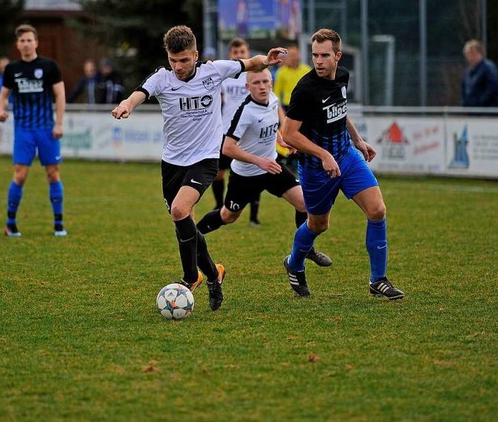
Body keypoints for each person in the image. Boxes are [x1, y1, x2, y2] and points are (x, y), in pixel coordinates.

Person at [111, 25, 284, 311]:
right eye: (173, 60)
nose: (178, 67)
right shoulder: (162, 79)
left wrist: (267, 59)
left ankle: (191, 276)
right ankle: (214, 276)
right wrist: (127, 104)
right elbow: (139, 93)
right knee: (184, 221)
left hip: (205, 159)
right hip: (172, 163)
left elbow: (249, 63)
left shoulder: (213, 71)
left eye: (184, 60)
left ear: (196, 55)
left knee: (180, 211)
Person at [282, 28, 404, 300]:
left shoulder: (343, 76)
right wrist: (323, 155)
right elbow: (289, 134)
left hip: (347, 157)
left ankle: (378, 280)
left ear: (338, 55)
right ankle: (294, 263)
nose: (319, 61)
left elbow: (340, 110)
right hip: (315, 169)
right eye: (315, 55)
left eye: (325, 55)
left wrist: (358, 140)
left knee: (377, 210)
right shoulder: (305, 89)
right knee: (318, 225)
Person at [196, 68, 333, 268]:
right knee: (228, 216)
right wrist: (257, 160)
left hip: (272, 168)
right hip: (245, 175)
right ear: (247, 87)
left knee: (305, 204)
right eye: (256, 83)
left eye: (265, 82)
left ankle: (306, 250)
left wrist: (281, 138)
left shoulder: (274, 99)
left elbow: (276, 124)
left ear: (271, 83)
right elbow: (228, 148)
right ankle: (192, 237)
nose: (262, 86)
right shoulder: (245, 112)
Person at [0, 24, 68, 238]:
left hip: (47, 129)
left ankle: (58, 224)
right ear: (17, 45)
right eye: (22, 41)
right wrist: (1, 110)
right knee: (20, 175)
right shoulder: (12, 69)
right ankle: (11, 223)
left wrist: (59, 123)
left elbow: (60, 96)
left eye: (29, 40)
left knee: (53, 173)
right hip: (24, 131)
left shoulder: (49, 66)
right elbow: (3, 97)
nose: (26, 44)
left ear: (36, 42)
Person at [212, 37, 263, 226]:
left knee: (254, 173)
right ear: (230, 55)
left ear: (247, 53)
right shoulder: (225, 76)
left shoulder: (255, 75)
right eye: (235, 53)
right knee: (218, 172)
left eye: (242, 52)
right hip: (226, 132)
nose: (239, 55)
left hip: (250, 133)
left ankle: (253, 216)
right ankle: (219, 206)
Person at [461, 39, 498, 107]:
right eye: (466, 53)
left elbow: (493, 87)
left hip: (486, 111)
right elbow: (464, 88)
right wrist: (465, 102)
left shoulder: (488, 68)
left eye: (470, 53)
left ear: (477, 53)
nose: (468, 57)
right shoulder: (468, 71)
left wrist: (480, 101)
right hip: (472, 111)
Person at [273, 44, 311, 112]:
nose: (293, 58)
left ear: (299, 55)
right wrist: (278, 109)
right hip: (288, 105)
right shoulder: (281, 72)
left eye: (294, 55)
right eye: (291, 55)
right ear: (287, 56)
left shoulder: (307, 70)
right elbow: (277, 92)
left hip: (305, 104)